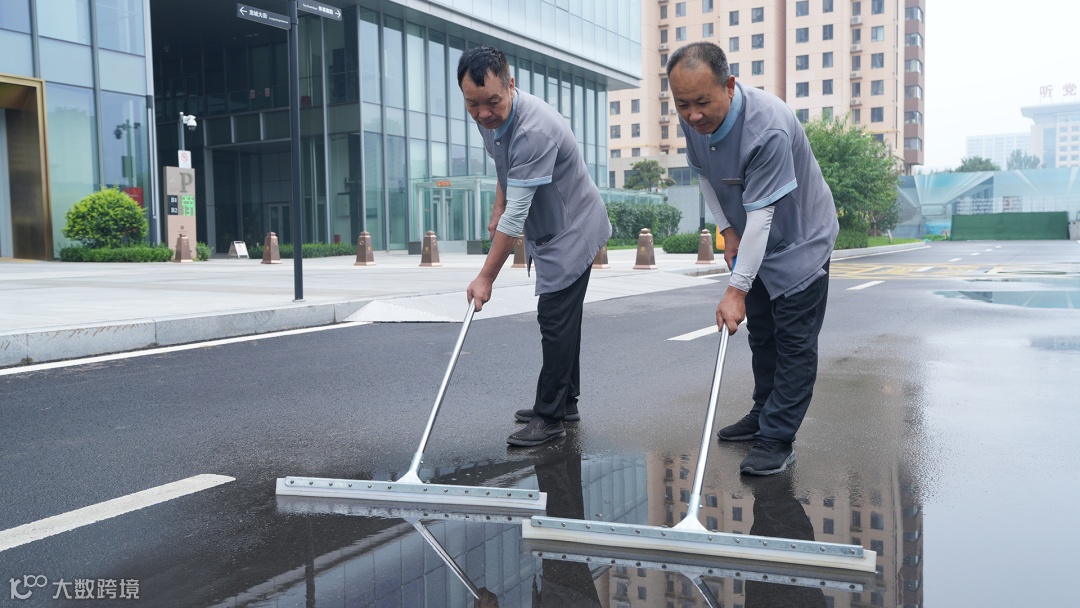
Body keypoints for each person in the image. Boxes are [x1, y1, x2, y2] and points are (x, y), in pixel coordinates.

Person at [667, 42, 839, 475]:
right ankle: (763, 411)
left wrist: (735, 291)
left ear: (728, 85)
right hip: (753, 239)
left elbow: (764, 216)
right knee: (762, 333)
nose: (693, 116)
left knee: (793, 342)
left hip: (800, 240)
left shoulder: (767, 127)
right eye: (682, 105)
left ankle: (777, 438)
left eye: (702, 102)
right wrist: (728, 231)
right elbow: (705, 176)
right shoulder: (695, 121)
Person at [456, 46, 612, 447]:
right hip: (551, 228)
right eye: (473, 104)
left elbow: (515, 220)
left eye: (492, 102)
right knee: (564, 321)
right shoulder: (491, 117)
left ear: (511, 85)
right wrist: (497, 206)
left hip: (573, 229)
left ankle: (549, 417)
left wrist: (485, 278)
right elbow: (504, 166)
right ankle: (565, 402)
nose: (483, 113)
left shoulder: (534, 129)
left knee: (555, 320)